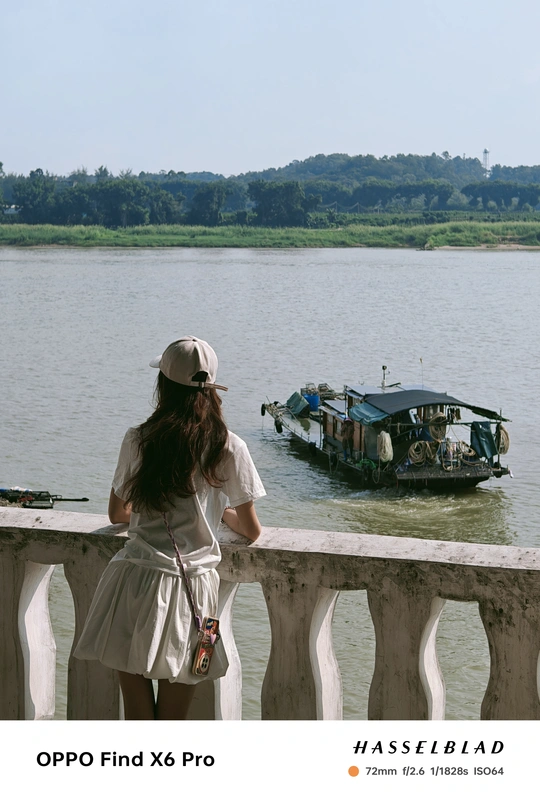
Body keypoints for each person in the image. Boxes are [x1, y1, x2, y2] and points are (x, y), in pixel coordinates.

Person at [74, 336, 265, 720]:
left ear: (163, 385)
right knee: (173, 719)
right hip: (192, 591)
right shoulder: (229, 446)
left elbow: (117, 513)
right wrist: (217, 514)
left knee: (138, 715)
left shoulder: (139, 439)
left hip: (134, 580)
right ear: (211, 388)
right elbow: (251, 530)